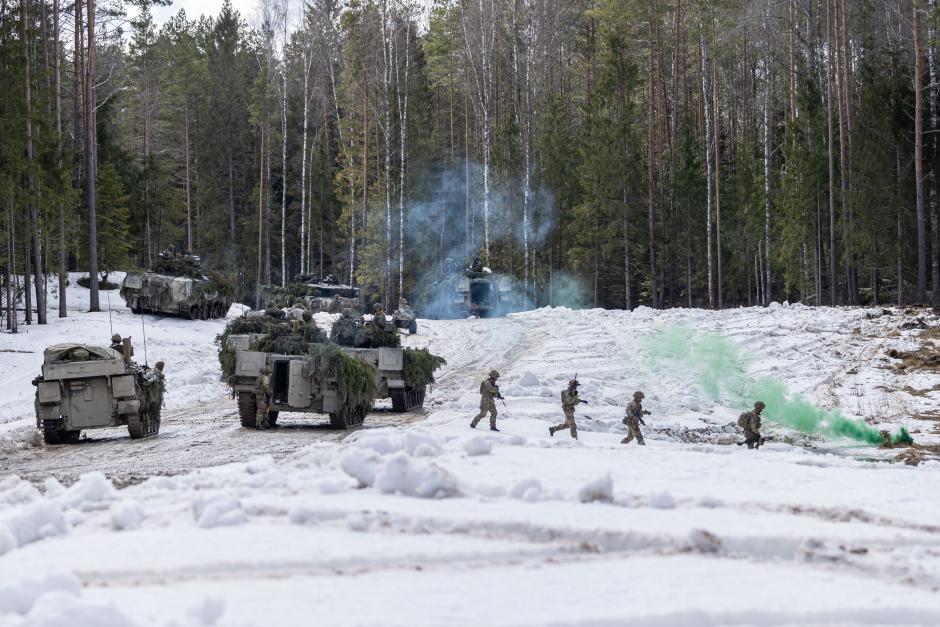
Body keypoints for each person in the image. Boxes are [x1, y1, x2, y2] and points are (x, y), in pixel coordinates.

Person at [255, 365, 273, 430]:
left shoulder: (259, 378)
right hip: (262, 396)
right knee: (261, 410)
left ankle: (266, 423)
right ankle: (258, 425)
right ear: (266, 372)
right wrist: (269, 392)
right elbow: (266, 386)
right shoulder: (265, 378)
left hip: (259, 395)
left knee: (264, 410)